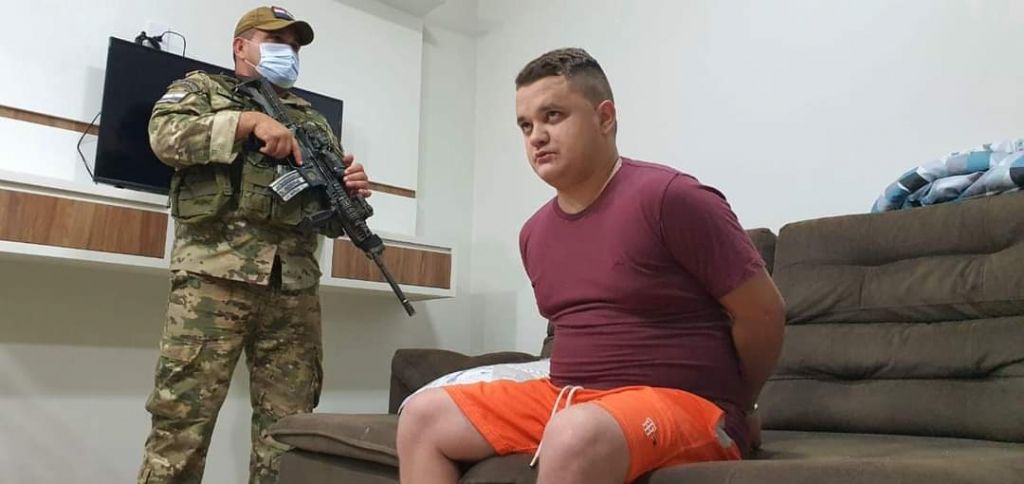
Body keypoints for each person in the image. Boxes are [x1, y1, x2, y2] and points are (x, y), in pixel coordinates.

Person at [396, 48, 785, 484]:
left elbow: (764, 313)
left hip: (686, 403)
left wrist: (744, 405)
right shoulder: (534, 234)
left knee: (574, 433)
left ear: (605, 118)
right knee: (422, 417)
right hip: (571, 398)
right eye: (526, 125)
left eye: (553, 116)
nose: (536, 136)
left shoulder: (672, 198)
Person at [137, 6, 371, 483]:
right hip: (214, 281)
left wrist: (350, 190)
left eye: (295, 45)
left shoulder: (312, 120)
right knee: (181, 425)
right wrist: (245, 122)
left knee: (290, 433)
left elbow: (327, 218)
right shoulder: (203, 90)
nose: (289, 52)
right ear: (240, 46)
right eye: (276, 40)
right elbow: (164, 137)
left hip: (293, 289)